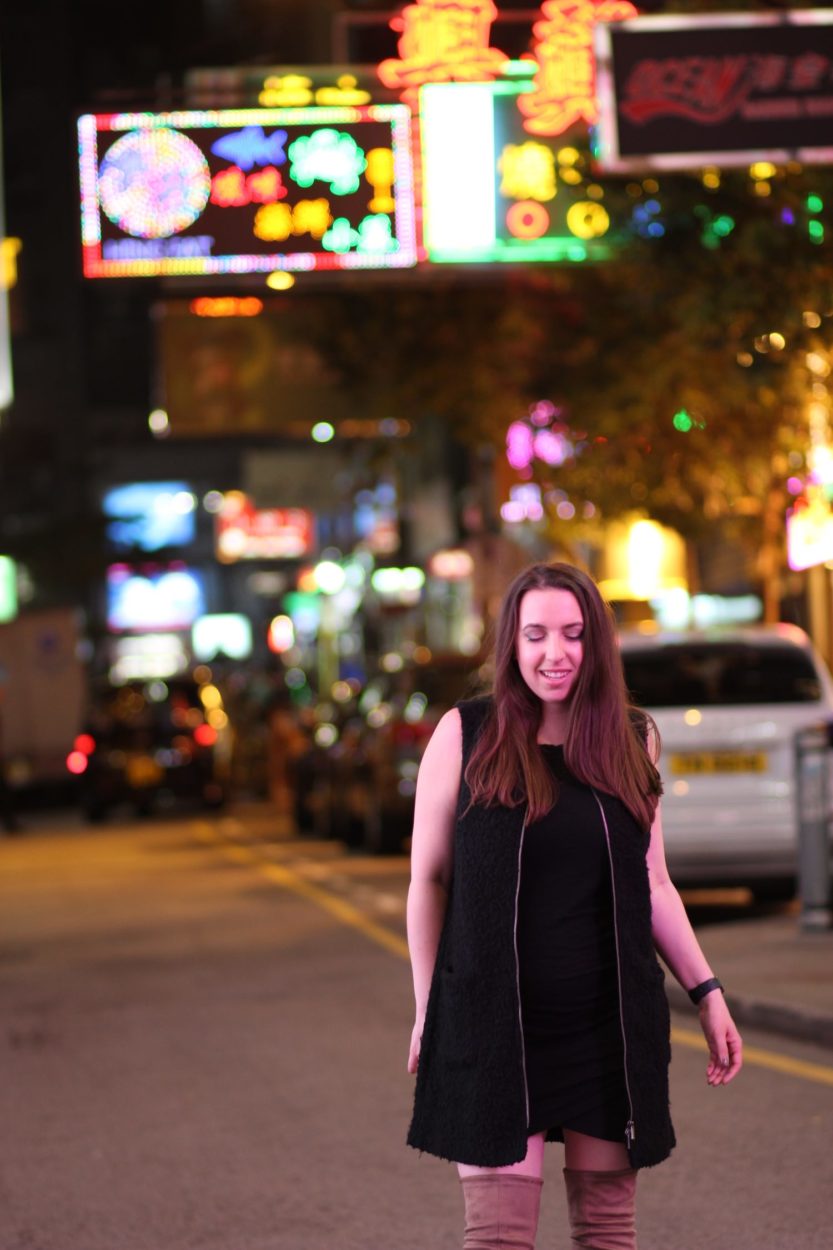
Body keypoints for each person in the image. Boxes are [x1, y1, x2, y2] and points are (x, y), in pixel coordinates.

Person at [405, 562, 742, 1250]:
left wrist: (705, 990)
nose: (553, 653)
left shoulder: (630, 738)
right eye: (534, 635)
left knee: (607, 1235)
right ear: (511, 644)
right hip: (495, 1027)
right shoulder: (466, 735)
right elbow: (428, 880)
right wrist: (427, 1009)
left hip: (604, 1030)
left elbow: (652, 882)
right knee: (497, 1239)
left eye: (572, 634)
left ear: (597, 645)